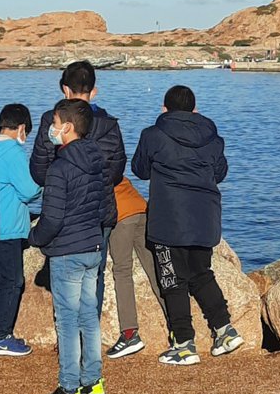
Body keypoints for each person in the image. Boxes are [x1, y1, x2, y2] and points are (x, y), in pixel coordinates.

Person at [131, 84, 243, 365]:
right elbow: (221, 172)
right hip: (205, 217)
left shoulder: (153, 135)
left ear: (164, 109)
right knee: (202, 274)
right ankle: (225, 330)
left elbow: (139, 170)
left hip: (168, 220)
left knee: (172, 281)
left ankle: (183, 344)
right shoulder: (212, 137)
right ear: (195, 109)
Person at [29, 98, 113, 394]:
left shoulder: (60, 167)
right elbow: (105, 205)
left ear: (67, 127)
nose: (51, 128)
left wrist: (34, 236)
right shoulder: (98, 160)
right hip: (92, 245)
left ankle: (69, 388)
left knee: (67, 320)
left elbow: (51, 219)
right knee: (89, 316)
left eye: (53, 123)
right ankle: (93, 381)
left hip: (68, 250)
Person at [29, 61, 124, 317]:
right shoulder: (109, 124)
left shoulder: (53, 122)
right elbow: (116, 171)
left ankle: (69, 336)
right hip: (100, 209)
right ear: (94, 91)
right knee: (96, 275)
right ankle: (90, 332)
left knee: (64, 279)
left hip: (62, 209)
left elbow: (39, 170)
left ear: (65, 90)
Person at [0, 103, 41, 356]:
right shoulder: (13, 152)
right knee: (11, 281)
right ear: (22, 129)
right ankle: (0, 334)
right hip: (9, 229)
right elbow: (29, 190)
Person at [105, 173, 168, 359]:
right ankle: (176, 327)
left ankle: (130, 334)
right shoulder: (111, 157)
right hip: (140, 208)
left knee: (122, 272)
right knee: (155, 269)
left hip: (121, 214)